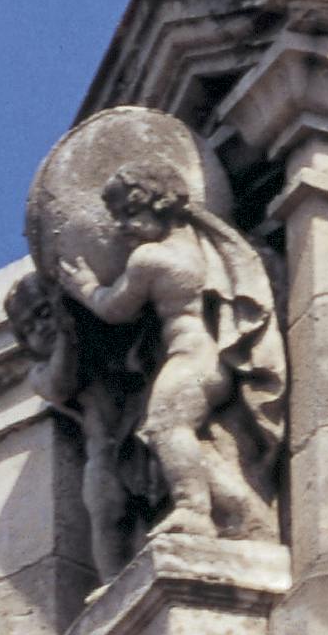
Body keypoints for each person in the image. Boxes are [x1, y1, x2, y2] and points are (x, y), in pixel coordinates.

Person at [51, 166, 284, 544]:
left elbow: (115, 308)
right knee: (193, 442)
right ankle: (248, 515)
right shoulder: (202, 241)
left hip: (191, 359)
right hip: (210, 360)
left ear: (159, 204)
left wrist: (85, 288)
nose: (123, 227)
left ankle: (193, 511)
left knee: (164, 427)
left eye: (130, 214)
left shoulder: (150, 259)